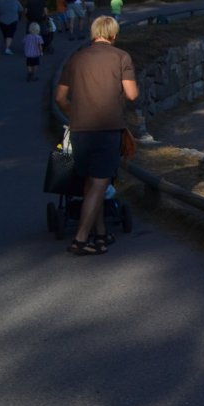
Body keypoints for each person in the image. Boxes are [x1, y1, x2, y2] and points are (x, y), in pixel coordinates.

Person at [54, 15, 138, 256]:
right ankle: (80, 240)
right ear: (113, 35)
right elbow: (131, 95)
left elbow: (59, 98)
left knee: (91, 183)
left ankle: (100, 234)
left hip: (79, 129)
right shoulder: (121, 57)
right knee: (101, 183)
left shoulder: (76, 58)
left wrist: (75, 113)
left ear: (93, 33)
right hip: (107, 128)